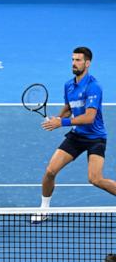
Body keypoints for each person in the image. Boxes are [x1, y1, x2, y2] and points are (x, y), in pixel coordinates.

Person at [32, 47, 116, 223]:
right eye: (72, 60)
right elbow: (69, 108)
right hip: (76, 137)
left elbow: (89, 117)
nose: (74, 63)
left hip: (95, 138)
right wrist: (58, 118)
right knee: (50, 171)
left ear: (87, 63)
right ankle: (44, 208)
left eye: (78, 60)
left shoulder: (94, 86)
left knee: (95, 179)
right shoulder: (68, 85)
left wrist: (61, 123)